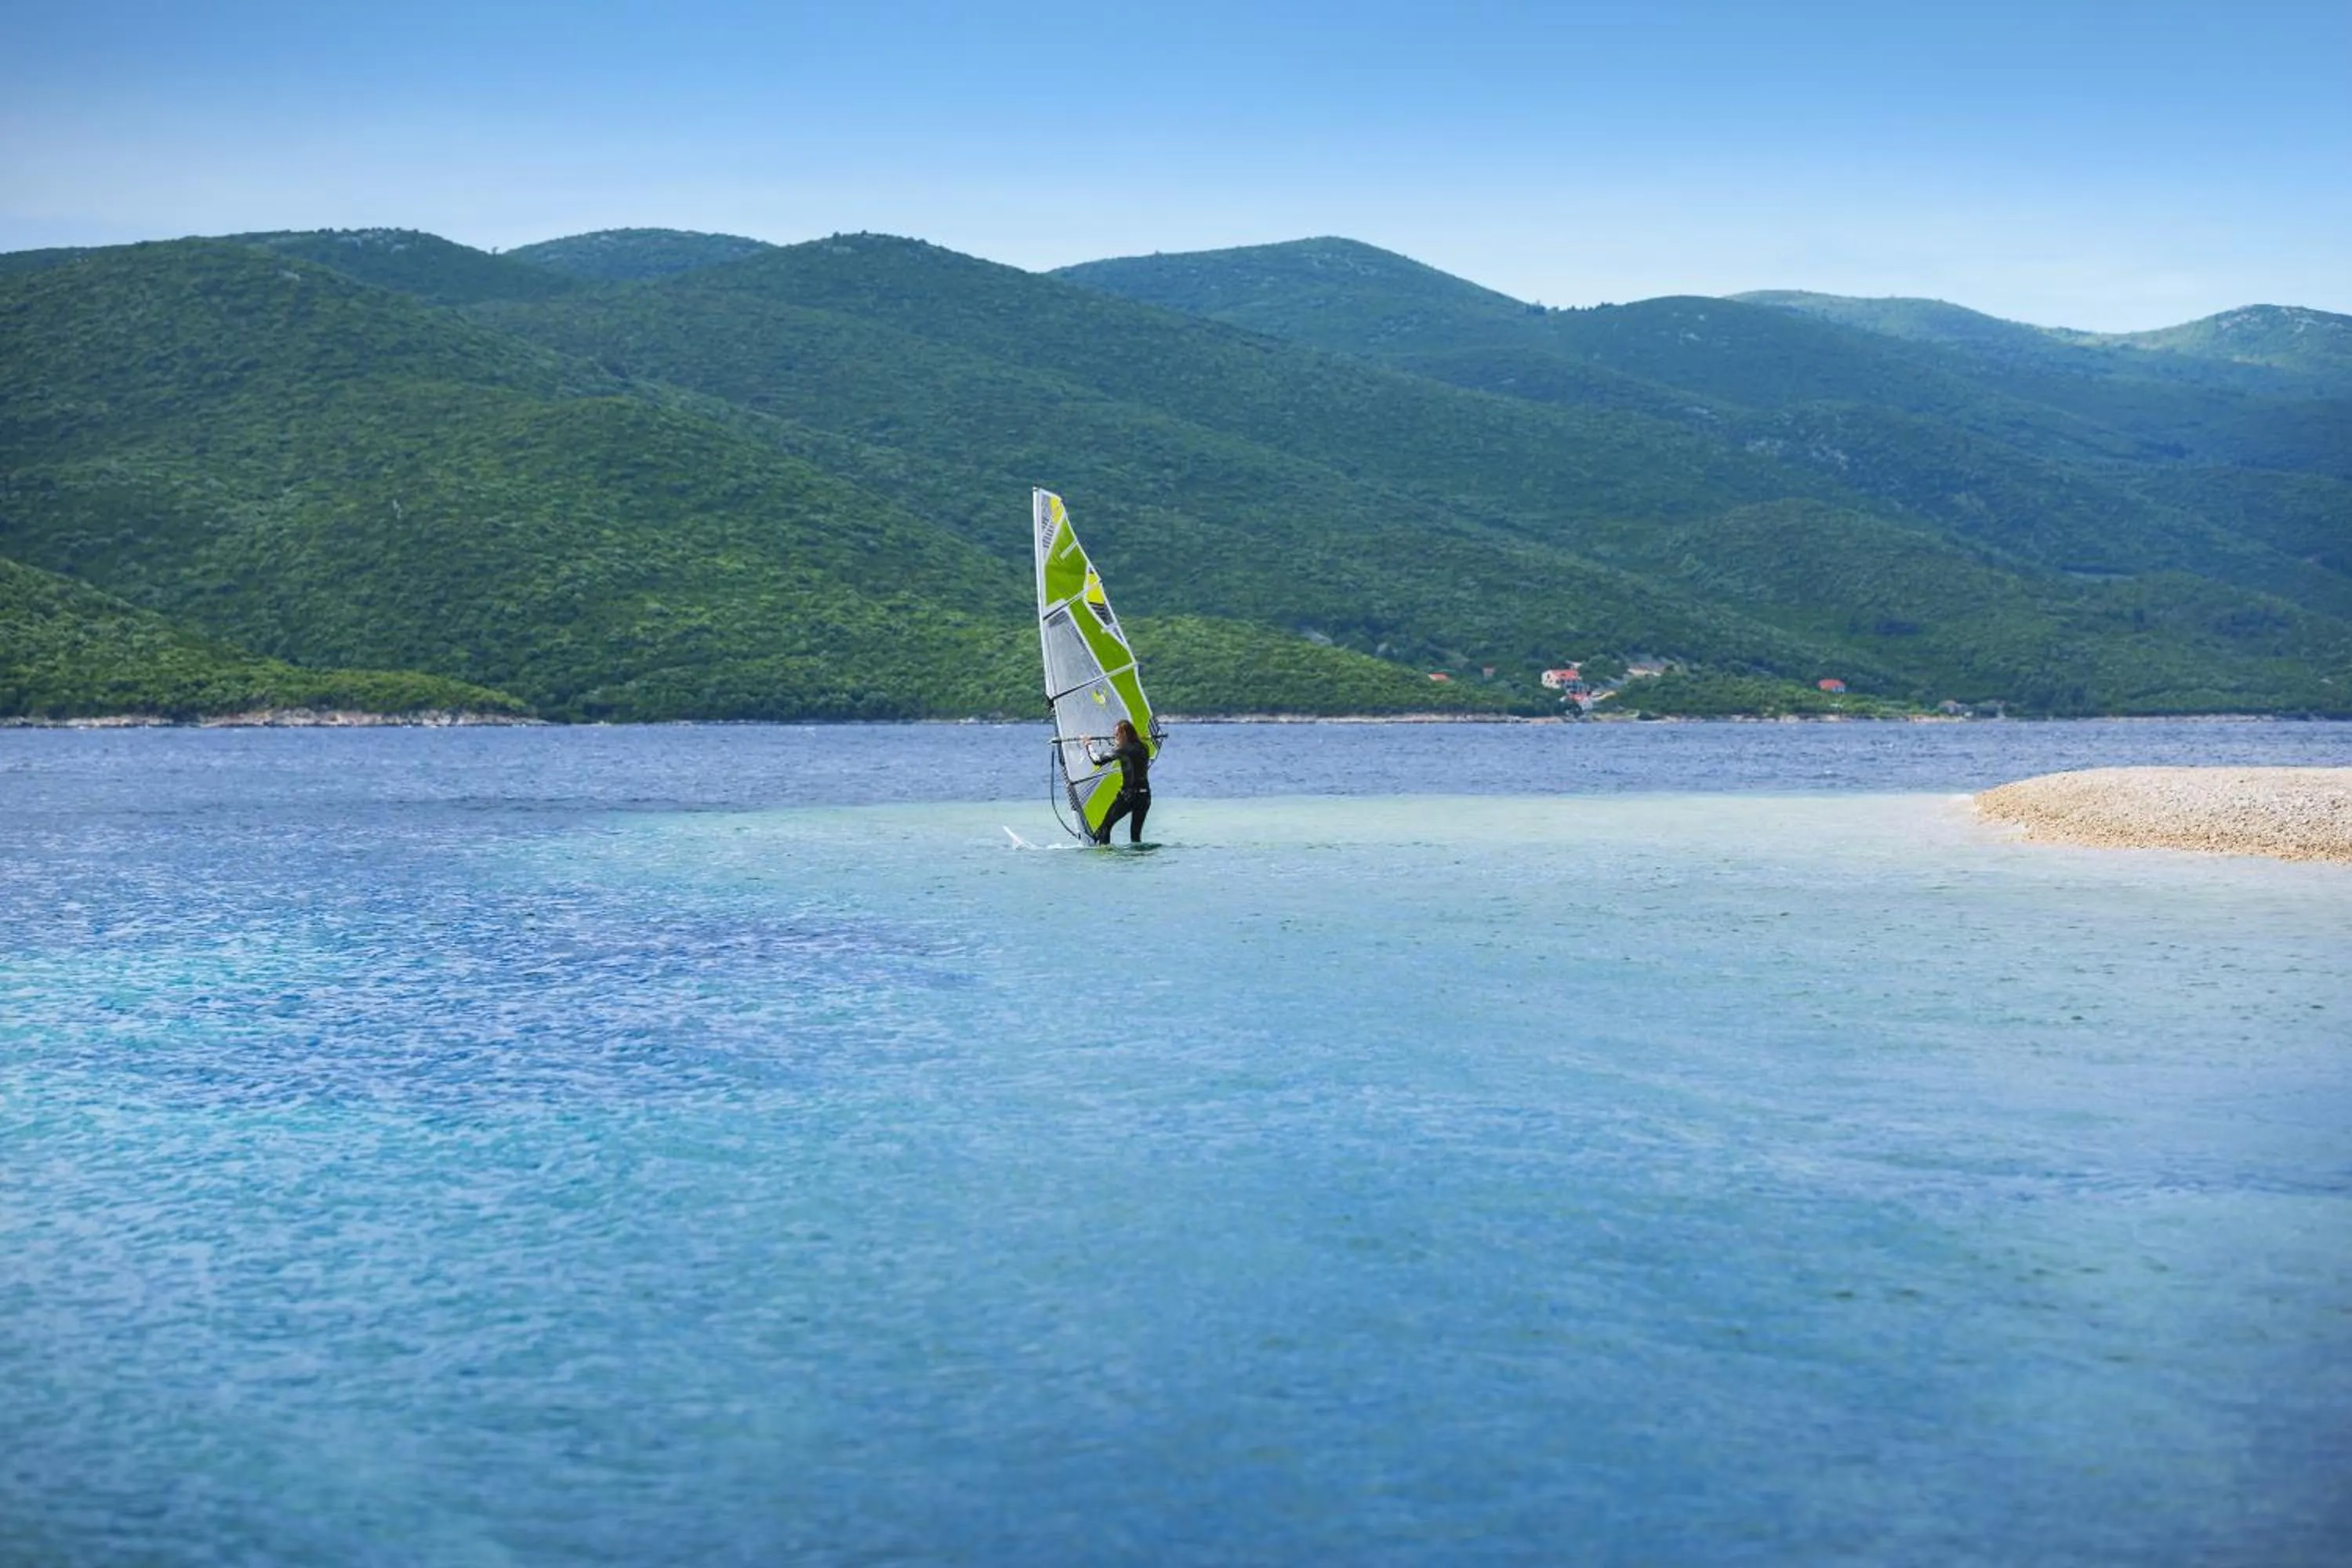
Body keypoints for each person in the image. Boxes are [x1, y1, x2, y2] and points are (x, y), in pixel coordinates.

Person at [1091, 719, 1152, 844]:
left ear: (1124, 733)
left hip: (1129, 797)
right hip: (1145, 796)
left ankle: (1105, 854)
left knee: (1105, 828)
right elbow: (1132, 755)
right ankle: (1137, 859)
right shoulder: (1144, 747)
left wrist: (1088, 745)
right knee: (1135, 836)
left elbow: (1097, 760)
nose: (1115, 738)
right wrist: (1118, 746)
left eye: (1116, 735)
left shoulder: (1123, 750)